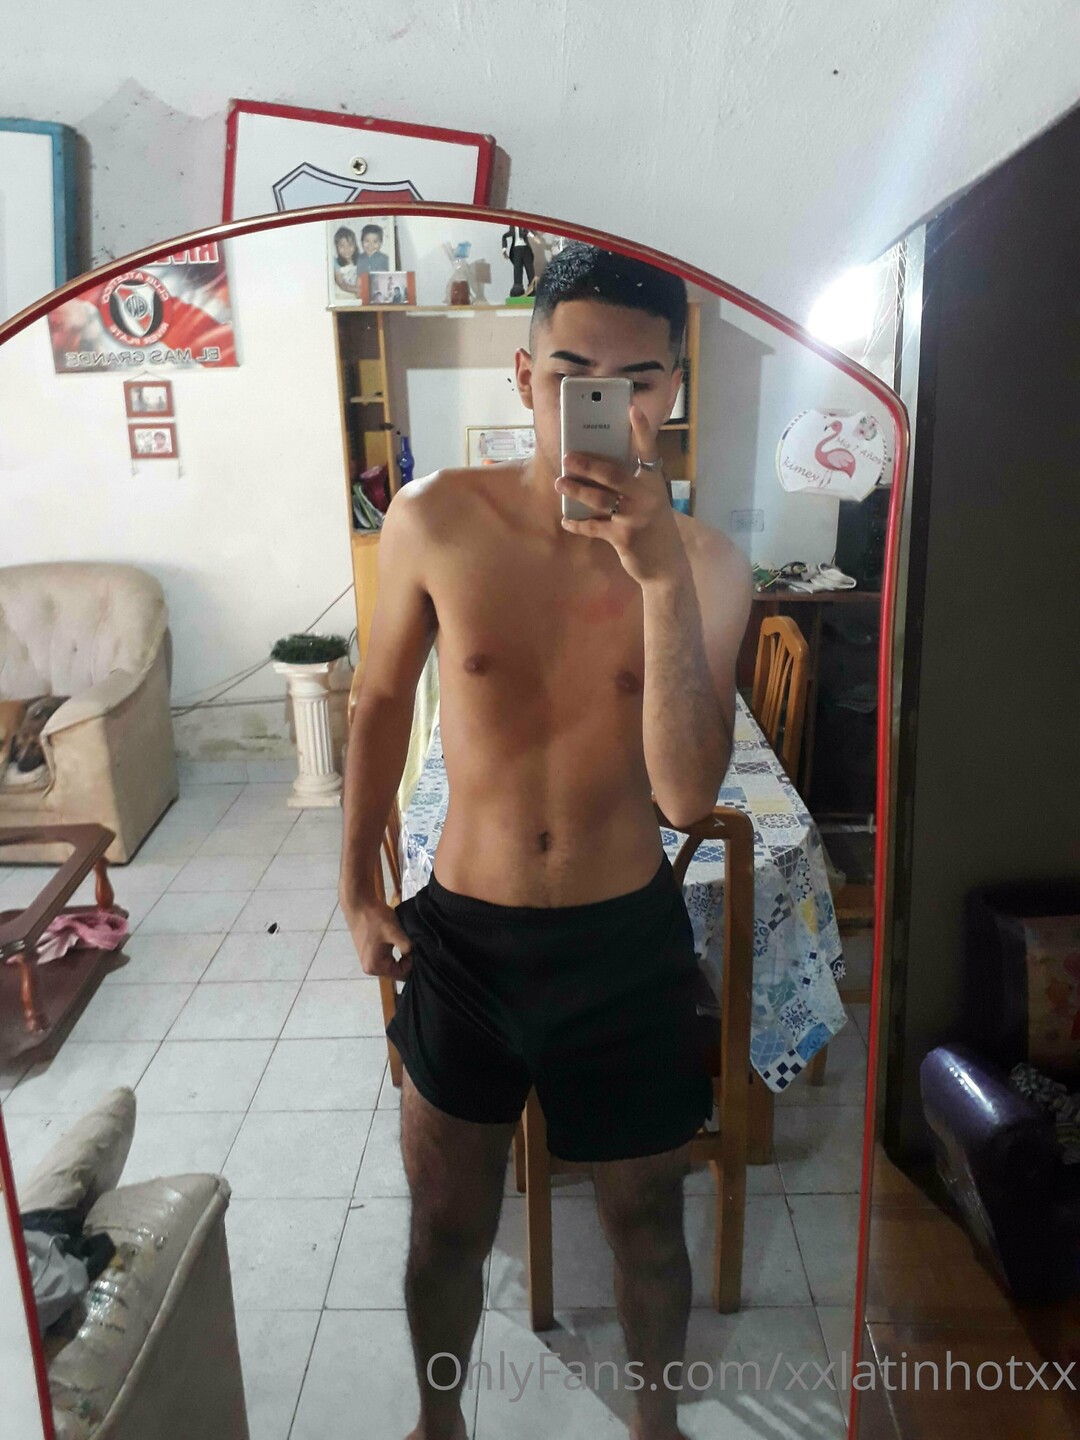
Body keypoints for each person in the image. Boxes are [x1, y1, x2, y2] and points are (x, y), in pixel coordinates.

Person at [340, 242, 751, 1440]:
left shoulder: (709, 563)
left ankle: (657, 1427)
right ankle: (441, 1425)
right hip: (465, 941)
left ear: (672, 389)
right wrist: (357, 883)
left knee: (647, 1225)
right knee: (445, 1226)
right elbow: (379, 701)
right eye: (574, 372)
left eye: (638, 380)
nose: (604, 404)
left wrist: (659, 580)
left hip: (625, 942)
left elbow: (686, 794)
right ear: (525, 376)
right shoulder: (435, 518)